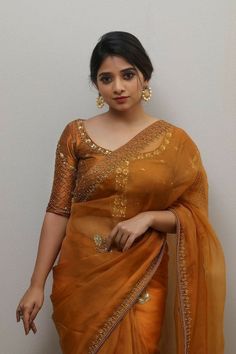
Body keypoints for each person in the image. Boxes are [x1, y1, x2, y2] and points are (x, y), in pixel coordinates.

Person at [16, 31, 226, 354]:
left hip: (143, 274)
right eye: (106, 78)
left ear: (145, 75)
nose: (118, 87)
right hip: (81, 278)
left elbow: (196, 214)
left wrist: (149, 218)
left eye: (127, 75)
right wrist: (35, 284)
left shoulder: (175, 143)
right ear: (96, 85)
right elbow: (58, 211)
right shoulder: (76, 135)